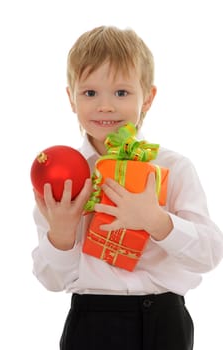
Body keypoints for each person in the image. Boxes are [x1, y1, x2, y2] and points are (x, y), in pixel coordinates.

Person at [32, 26, 223, 350]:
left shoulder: (173, 168)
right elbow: (53, 281)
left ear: (147, 97)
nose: (105, 106)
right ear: (71, 98)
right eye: (90, 93)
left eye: (121, 92)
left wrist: (158, 222)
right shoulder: (61, 175)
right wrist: (61, 236)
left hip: (166, 322)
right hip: (92, 322)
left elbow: (209, 255)